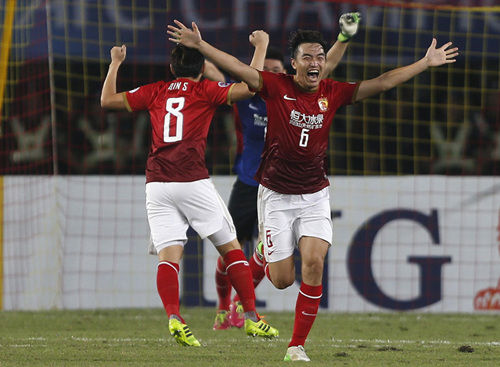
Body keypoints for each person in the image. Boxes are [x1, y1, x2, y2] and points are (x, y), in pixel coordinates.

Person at [167, 16, 458, 361]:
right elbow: (236, 69)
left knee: (315, 264)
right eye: (307, 57)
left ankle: (296, 346)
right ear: (294, 63)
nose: (315, 62)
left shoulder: (331, 93)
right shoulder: (276, 86)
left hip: (315, 195)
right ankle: (263, 252)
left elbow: (380, 83)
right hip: (274, 194)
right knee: (281, 280)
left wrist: (424, 63)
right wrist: (200, 45)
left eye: (320, 57)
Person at [100, 30, 279, 347]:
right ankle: (252, 319)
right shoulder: (205, 91)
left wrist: (115, 63)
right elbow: (252, 87)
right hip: (192, 180)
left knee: (169, 256)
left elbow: (107, 101)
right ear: (202, 69)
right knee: (231, 248)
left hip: (156, 184)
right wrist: (261, 47)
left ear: (172, 69)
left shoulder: (156, 91)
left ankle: (174, 317)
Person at [213, 13, 361, 331]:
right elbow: (236, 74)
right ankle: (225, 308)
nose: (272, 74)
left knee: (274, 264)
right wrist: (257, 47)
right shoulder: (252, 96)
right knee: (230, 251)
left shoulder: (301, 92)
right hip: (251, 182)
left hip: (292, 186)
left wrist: (343, 39)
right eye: (268, 71)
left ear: (288, 71)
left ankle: (243, 301)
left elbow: (327, 66)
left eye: (277, 70)